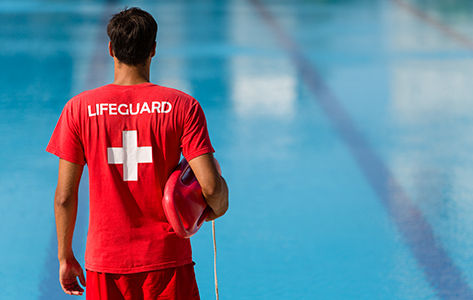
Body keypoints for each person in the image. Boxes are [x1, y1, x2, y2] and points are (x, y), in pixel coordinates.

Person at [46, 7, 229, 300]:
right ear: (153, 49)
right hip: (167, 262)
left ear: (110, 49)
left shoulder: (78, 109)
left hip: (105, 263)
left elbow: (64, 197)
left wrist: (65, 257)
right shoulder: (182, 106)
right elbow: (210, 187)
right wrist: (217, 205)